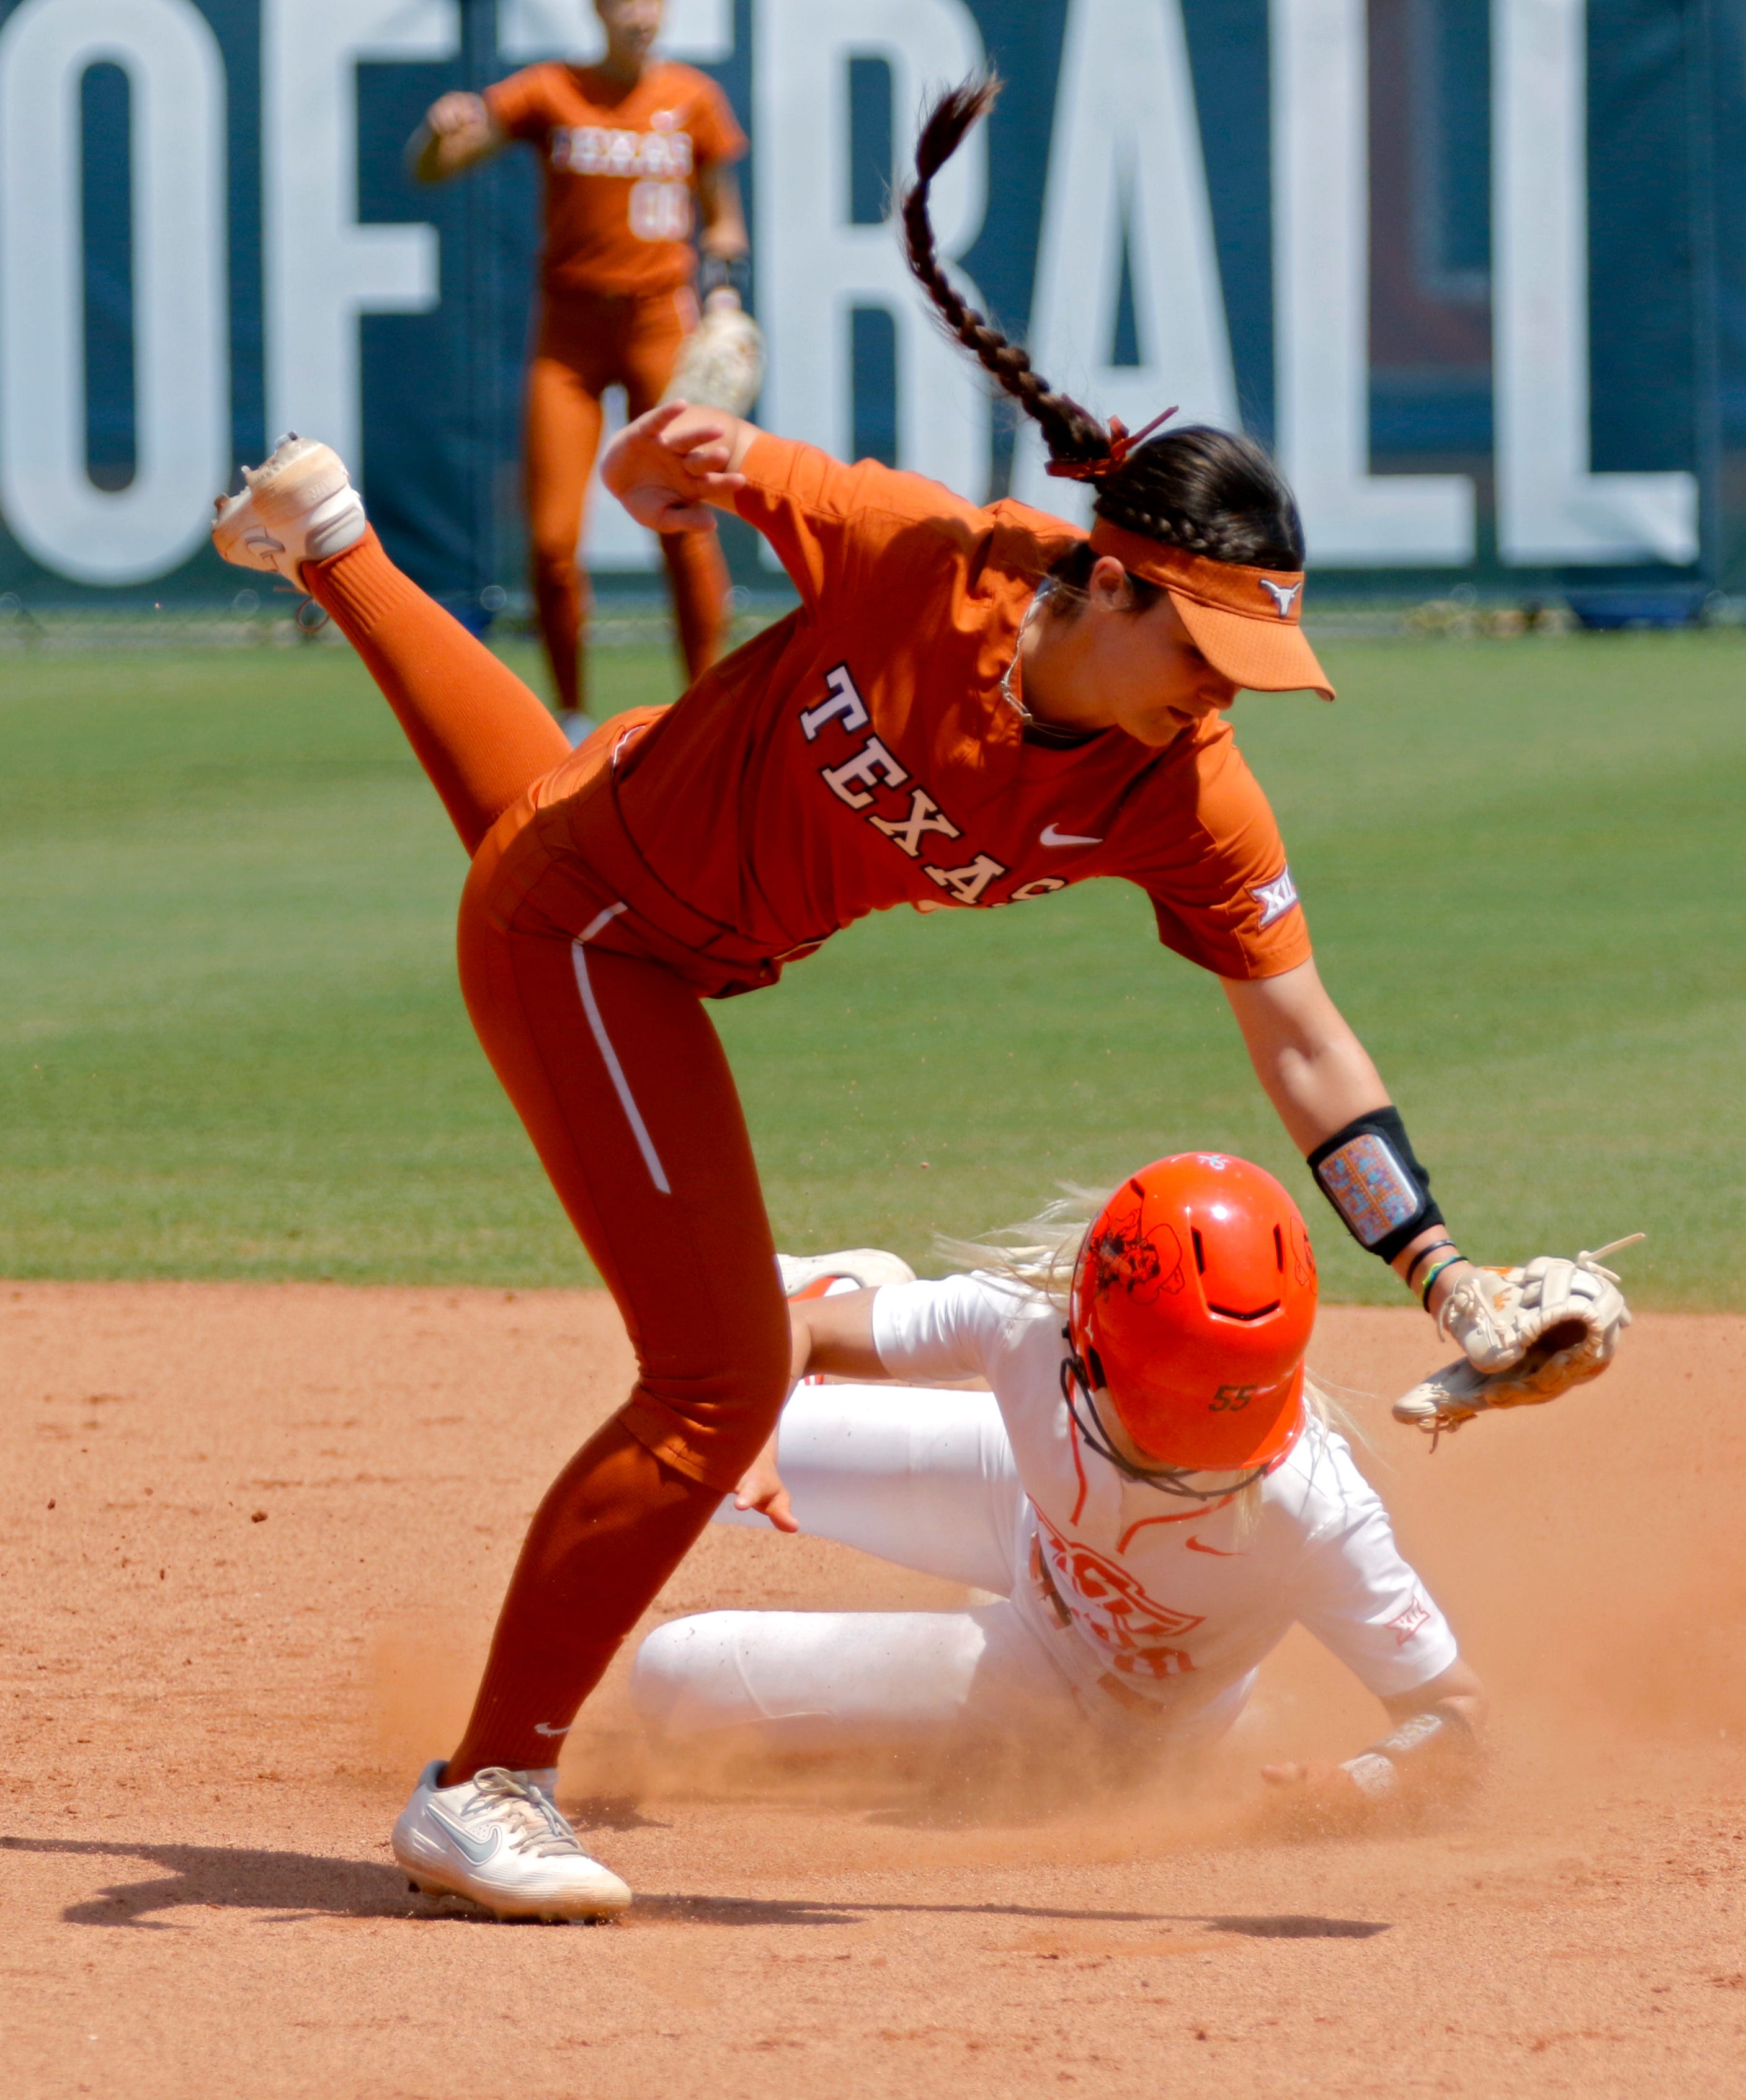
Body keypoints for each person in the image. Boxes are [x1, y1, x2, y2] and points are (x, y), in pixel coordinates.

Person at [212, 77, 1565, 1922]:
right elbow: (656, 479)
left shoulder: (1177, 788)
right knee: (714, 1383)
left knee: (539, 819)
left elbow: (1301, 1033)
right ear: (1106, 582)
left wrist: (1439, 1268)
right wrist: (670, 455)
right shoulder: (911, 553)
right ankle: (487, 1785)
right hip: (596, 946)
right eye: (1204, 644)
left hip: (634, 871)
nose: (1223, 692)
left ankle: (332, 537)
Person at [635, 1160, 1485, 1823]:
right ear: (1088, 1337)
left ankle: (920, 1731)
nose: (1207, 1453)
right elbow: (801, 1330)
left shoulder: (1310, 1508)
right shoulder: (1025, 1321)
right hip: (1019, 1498)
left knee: (672, 1676)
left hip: (1087, 1697)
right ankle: (867, 1297)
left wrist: (1365, 1784)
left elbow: (1455, 1716)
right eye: (1171, 1408)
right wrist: (752, 1439)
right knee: (703, 1453)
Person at [409, 0, 749, 734]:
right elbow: (438, 166)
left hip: (659, 321)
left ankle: (709, 714)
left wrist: (722, 294)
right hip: (570, 333)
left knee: (684, 523)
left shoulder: (692, 97)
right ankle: (569, 716)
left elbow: (722, 216)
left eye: (653, 0)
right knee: (553, 542)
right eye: (625, 0)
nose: (641, 14)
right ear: (597, 10)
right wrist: (436, 136)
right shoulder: (552, 89)